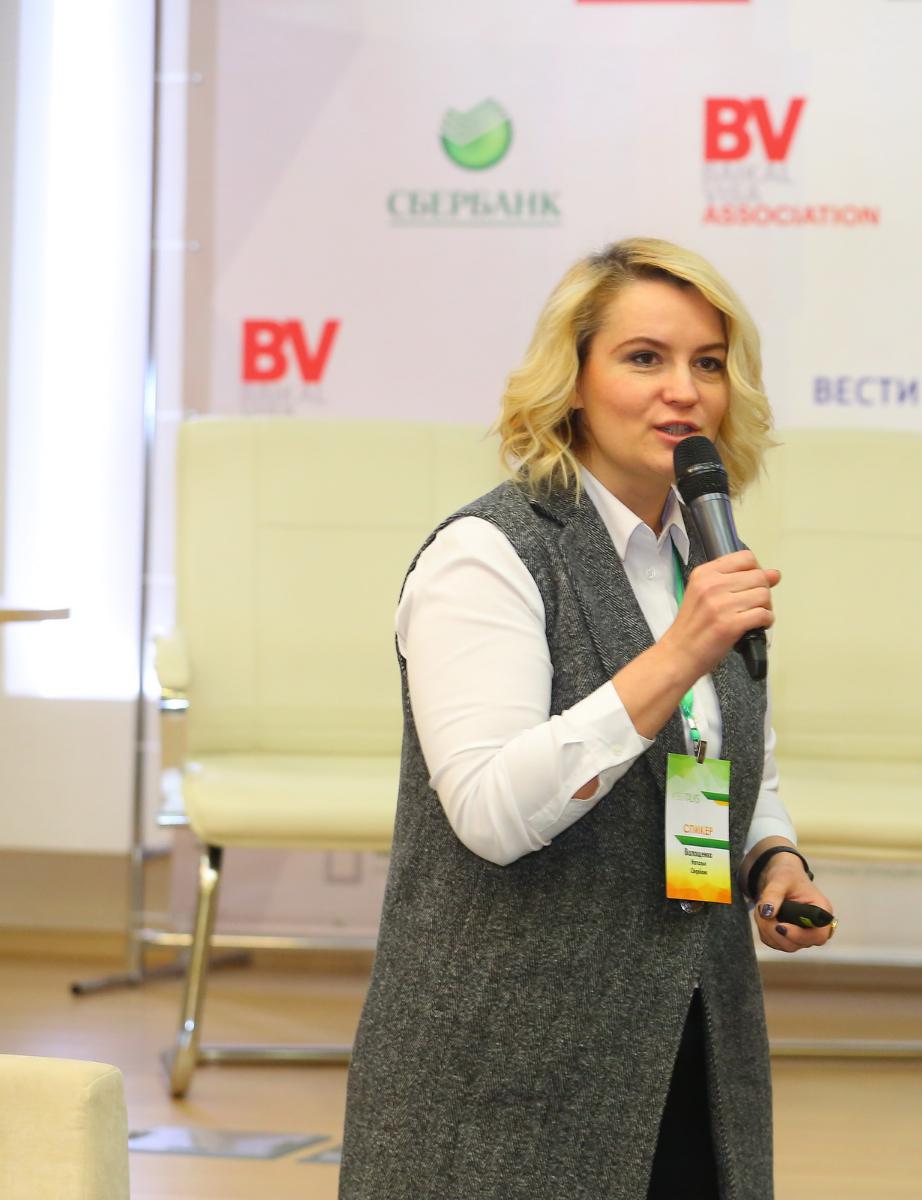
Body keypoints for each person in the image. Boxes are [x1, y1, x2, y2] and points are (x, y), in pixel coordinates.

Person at [338, 238, 834, 1200]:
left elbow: (734, 763)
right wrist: (679, 653)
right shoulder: (488, 555)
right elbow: (491, 813)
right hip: (505, 1068)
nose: (683, 391)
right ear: (572, 382)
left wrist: (772, 856)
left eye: (708, 363)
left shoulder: (703, 555)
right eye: (644, 358)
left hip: (691, 1044)